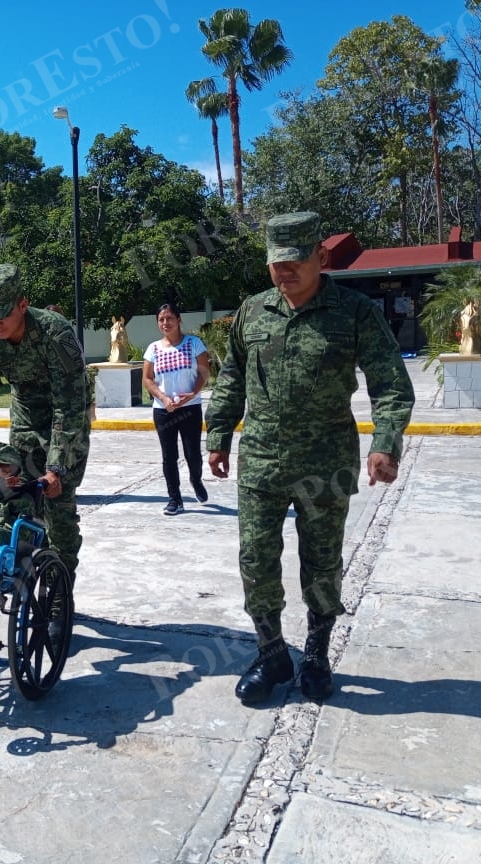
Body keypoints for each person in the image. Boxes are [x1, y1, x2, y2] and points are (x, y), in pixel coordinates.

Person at [204, 211, 415, 705]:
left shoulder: (355, 312)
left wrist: (386, 442)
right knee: (256, 561)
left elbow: (390, 383)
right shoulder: (252, 312)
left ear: (320, 256)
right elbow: (232, 377)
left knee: (321, 565)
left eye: (296, 261)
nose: (285, 272)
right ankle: (272, 652)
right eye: (277, 263)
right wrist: (217, 433)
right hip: (260, 461)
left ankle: (316, 655)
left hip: (327, 462)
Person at [0, 263, 90, 578]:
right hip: (25, 420)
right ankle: (28, 580)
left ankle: (60, 587)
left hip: (66, 422)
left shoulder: (54, 332)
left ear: (22, 304)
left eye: (1, 315)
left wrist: (56, 467)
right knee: (20, 501)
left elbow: (70, 404)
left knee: (57, 504)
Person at [142, 304, 212, 515]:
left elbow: (205, 372)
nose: (166, 323)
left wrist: (192, 393)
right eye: (161, 320)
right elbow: (147, 378)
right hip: (164, 410)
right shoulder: (153, 349)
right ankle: (175, 498)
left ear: (178, 319)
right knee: (169, 455)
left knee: (193, 454)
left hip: (189, 408)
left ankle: (196, 479)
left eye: (169, 318)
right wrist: (163, 398)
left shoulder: (194, 343)